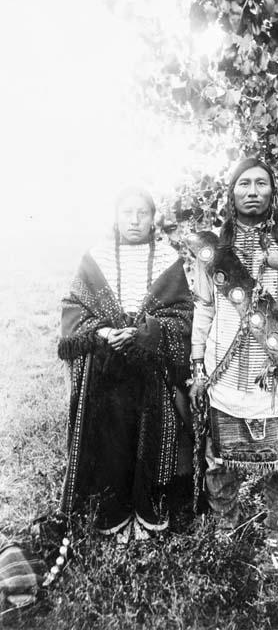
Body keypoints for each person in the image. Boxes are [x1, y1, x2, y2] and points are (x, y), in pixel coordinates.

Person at [188, 158, 278, 570]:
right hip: (224, 377)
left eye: (261, 183)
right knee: (219, 462)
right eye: (243, 183)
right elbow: (204, 309)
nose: (252, 191)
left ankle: (273, 540)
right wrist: (197, 367)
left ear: (272, 191)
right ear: (232, 193)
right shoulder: (214, 250)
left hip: (274, 379)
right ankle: (226, 532)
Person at [57, 187, 194, 544]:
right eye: (126, 213)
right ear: (115, 217)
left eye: (142, 213)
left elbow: (181, 315)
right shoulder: (95, 258)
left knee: (150, 432)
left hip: (152, 369)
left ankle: (148, 507)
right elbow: (73, 309)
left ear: (153, 219)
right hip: (105, 369)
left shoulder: (168, 259)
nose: (134, 220)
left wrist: (145, 333)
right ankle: (113, 509)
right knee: (111, 438)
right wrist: (103, 332)